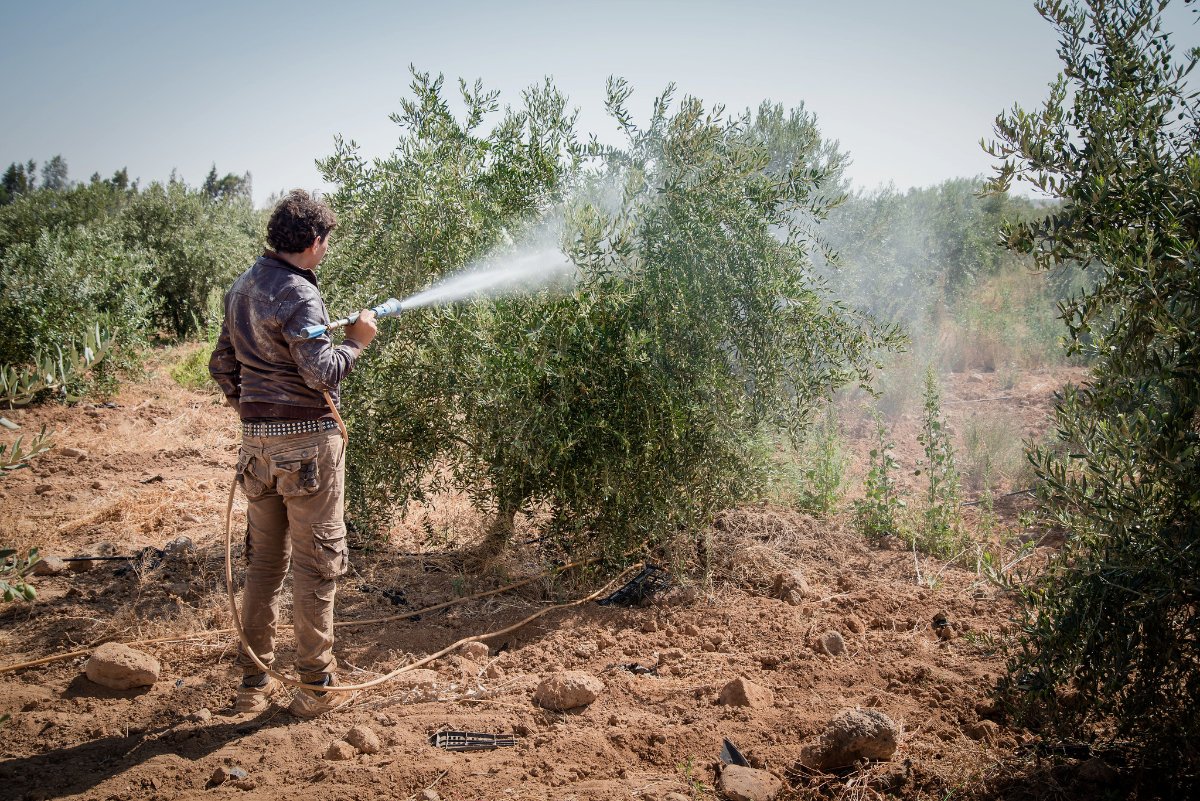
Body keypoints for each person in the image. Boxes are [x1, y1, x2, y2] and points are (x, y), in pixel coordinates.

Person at [209, 189, 377, 717]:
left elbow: (220, 365)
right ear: (311, 240)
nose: (326, 250)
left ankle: (252, 680)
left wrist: (252, 415)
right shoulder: (301, 294)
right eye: (325, 241)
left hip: (256, 448)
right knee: (316, 563)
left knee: (263, 565)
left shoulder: (243, 286)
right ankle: (314, 684)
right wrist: (359, 341)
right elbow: (320, 373)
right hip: (308, 448)